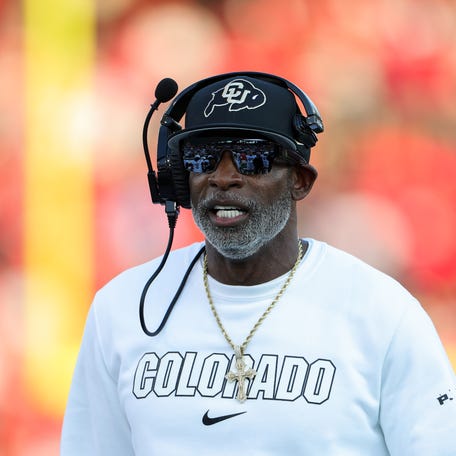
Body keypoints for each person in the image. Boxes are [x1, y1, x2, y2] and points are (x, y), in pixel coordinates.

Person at [61, 72, 456, 455]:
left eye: (254, 160)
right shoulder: (123, 308)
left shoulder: (382, 312)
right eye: (203, 159)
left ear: (300, 180)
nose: (224, 178)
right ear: (179, 182)